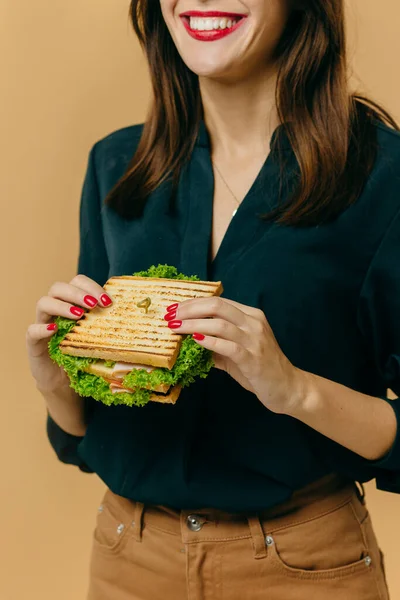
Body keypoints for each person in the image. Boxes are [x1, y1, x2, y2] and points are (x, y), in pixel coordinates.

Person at [26, 1, 400, 598]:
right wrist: (57, 380)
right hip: (129, 557)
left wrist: (293, 388)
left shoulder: (383, 176)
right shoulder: (117, 165)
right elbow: (87, 431)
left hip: (303, 567)